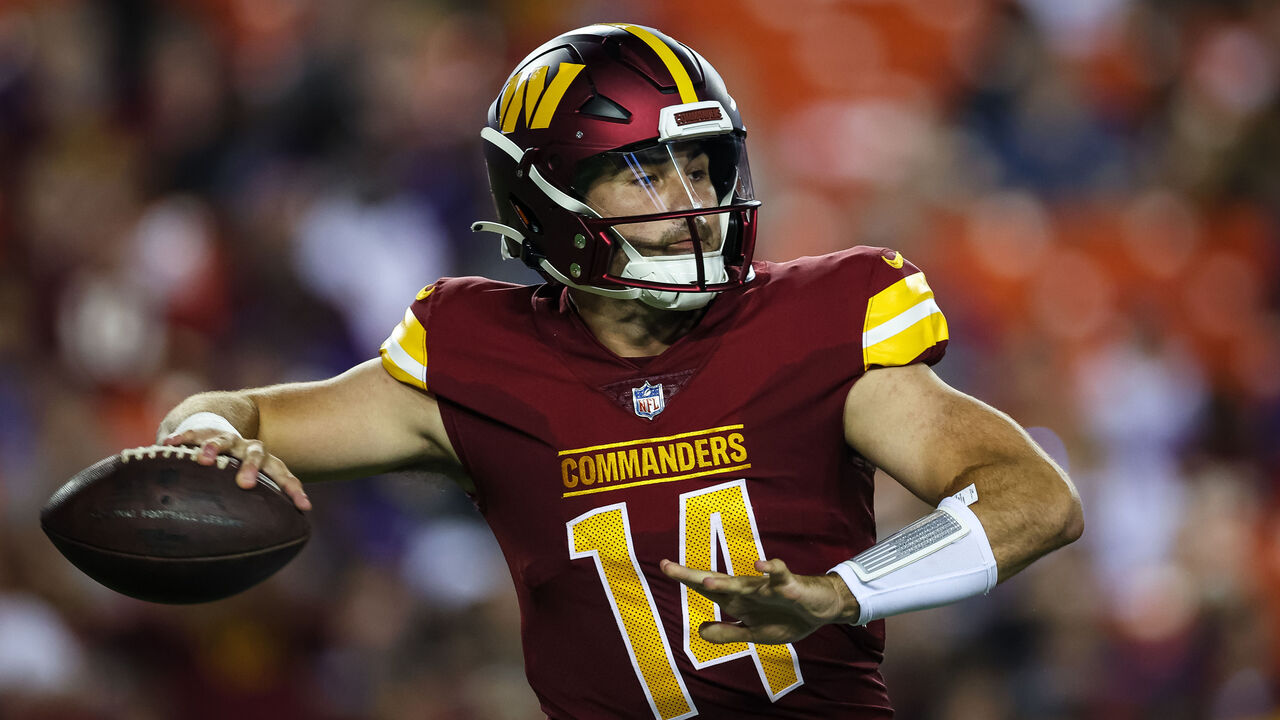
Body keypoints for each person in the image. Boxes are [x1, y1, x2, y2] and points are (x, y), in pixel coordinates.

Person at [158, 23, 1083, 719]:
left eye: (705, 166)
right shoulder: (477, 356)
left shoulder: (818, 324)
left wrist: (844, 592)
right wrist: (205, 436)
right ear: (549, 197)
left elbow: (1036, 499)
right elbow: (236, 413)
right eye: (645, 172)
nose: (694, 206)